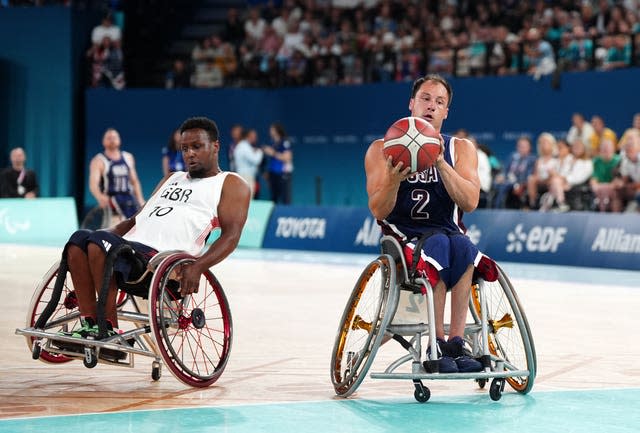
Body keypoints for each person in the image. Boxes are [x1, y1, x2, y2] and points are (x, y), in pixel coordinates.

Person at [61, 116, 251, 337]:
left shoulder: (230, 183)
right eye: (185, 148)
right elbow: (134, 220)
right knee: (79, 240)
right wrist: (101, 234)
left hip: (157, 261)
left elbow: (231, 236)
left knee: (100, 245)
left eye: (197, 147)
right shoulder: (172, 178)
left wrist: (198, 266)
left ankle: (108, 329)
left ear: (215, 146)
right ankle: (90, 323)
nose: (189, 153)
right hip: (128, 247)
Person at [364, 74, 487, 373]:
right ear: (412, 104)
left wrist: (441, 162)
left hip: (446, 231)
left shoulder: (461, 149)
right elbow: (378, 210)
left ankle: (456, 343)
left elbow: (470, 201)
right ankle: (435, 341)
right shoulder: (382, 148)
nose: (432, 106)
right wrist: (393, 181)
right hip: (404, 239)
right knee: (440, 246)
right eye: (426, 99)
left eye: (440, 102)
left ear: (446, 112)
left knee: (461, 244)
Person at [89, 128, 145, 224]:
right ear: (103, 141)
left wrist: (140, 198)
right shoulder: (99, 161)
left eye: (114, 137)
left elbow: (134, 181)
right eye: (109, 138)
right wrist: (100, 197)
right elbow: (93, 184)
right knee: (116, 230)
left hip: (129, 199)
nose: (112, 140)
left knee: (136, 226)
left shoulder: (128, 157)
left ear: (119, 140)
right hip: (112, 200)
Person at [540, 138, 593, 212]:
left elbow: (580, 178)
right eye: (575, 147)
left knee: (555, 181)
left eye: (579, 147)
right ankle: (555, 202)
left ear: (584, 149)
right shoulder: (569, 159)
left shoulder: (587, 162)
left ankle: (558, 202)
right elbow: (563, 173)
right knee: (555, 181)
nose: (576, 149)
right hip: (562, 183)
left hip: (576, 184)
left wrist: (566, 180)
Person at [491, 136, 537, 209]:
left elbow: (530, 174)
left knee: (505, 185)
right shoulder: (512, 156)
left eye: (524, 146)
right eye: (520, 146)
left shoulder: (532, 159)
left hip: (520, 182)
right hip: (508, 180)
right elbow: (505, 170)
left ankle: (497, 208)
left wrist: (520, 184)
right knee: (496, 182)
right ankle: (491, 206)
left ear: (529, 147)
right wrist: (502, 176)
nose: (521, 148)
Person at [526, 132, 559, 209]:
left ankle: (552, 202)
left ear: (552, 144)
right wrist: (539, 178)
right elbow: (536, 174)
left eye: (546, 143)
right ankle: (533, 203)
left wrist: (550, 176)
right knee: (531, 179)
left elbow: (558, 174)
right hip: (541, 181)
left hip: (552, 180)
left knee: (554, 179)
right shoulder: (539, 160)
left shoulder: (557, 159)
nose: (543, 145)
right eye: (541, 143)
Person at [263, 122, 293, 204]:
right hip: (273, 174)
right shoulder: (273, 143)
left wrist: (272, 153)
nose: (270, 131)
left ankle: (286, 215)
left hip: (283, 174)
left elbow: (287, 158)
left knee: (285, 199)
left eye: (271, 129)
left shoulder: (284, 142)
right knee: (273, 198)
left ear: (276, 130)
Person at [233, 128, 264, 198]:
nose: (255, 139)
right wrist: (260, 151)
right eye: (253, 137)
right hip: (246, 178)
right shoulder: (245, 146)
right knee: (248, 201)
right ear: (248, 137)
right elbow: (256, 160)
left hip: (242, 176)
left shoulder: (241, 146)